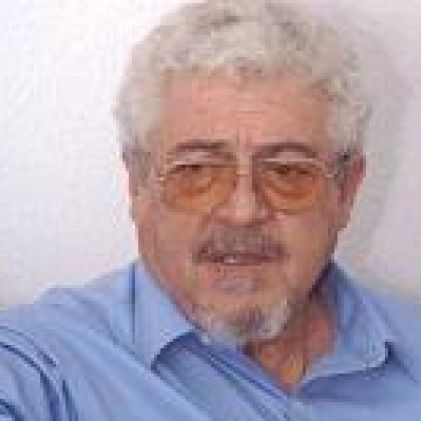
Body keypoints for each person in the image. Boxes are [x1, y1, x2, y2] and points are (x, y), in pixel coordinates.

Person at [1, 0, 420, 419]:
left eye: (288, 172)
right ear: (138, 185)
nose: (243, 211)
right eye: (197, 172)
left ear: (345, 191)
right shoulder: (42, 369)